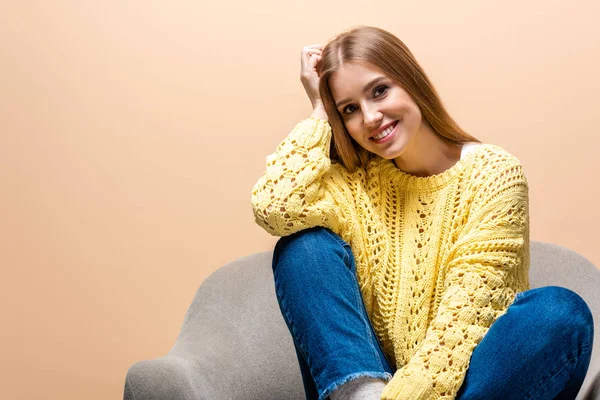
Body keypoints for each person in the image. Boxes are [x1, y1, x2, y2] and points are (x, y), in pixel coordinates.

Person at [250, 26, 594, 400]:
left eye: (379, 91)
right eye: (349, 109)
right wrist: (319, 109)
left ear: (412, 81)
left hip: (470, 384)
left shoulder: (493, 174)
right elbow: (276, 206)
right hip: (371, 386)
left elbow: (463, 323)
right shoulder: (356, 184)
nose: (370, 117)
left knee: (559, 313)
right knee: (304, 248)